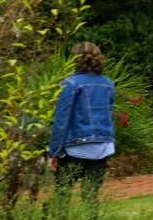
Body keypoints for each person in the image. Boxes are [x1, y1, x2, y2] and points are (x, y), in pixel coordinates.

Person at [48, 41, 116, 206]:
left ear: (76, 59)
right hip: (103, 146)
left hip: (76, 147)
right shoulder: (108, 84)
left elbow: (62, 120)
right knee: (91, 196)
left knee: (62, 194)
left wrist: (54, 152)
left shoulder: (70, 84)